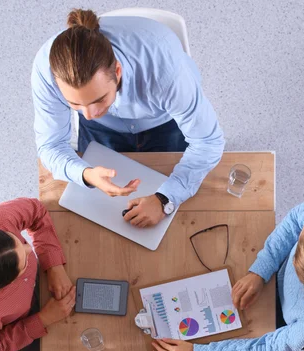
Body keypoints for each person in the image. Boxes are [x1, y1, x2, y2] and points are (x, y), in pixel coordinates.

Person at [32, 9, 225, 228]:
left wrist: (165, 199)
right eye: (75, 104)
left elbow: (208, 142)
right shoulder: (46, 70)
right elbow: (50, 145)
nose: (88, 115)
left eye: (98, 99)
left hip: (163, 121)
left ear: (117, 70)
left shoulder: (166, 69)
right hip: (104, 129)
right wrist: (85, 174)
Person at [151, 203, 304, 351]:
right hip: (276, 287)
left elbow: (267, 348)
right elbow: (295, 218)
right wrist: (260, 272)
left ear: (296, 264)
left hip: (284, 321)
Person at [0, 197, 76, 351]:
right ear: (7, 284)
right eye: (25, 261)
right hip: (17, 335)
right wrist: (43, 320)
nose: (30, 249)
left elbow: (37, 210)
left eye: (19, 241)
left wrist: (53, 265)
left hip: (35, 289)